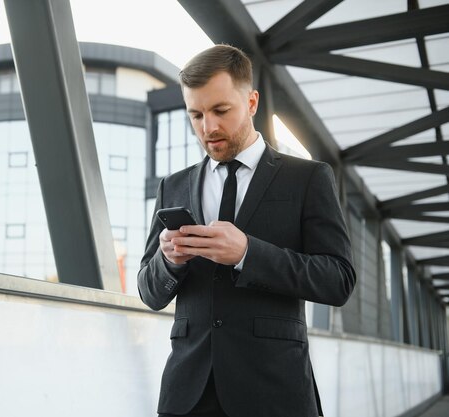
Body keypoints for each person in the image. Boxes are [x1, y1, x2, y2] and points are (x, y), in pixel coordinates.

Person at [137, 44, 356, 417]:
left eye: (221, 110)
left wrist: (248, 254)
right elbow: (149, 292)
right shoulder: (171, 186)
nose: (209, 128)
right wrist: (169, 260)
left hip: (274, 392)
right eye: (196, 115)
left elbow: (338, 279)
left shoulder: (307, 178)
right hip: (187, 395)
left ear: (252, 103)